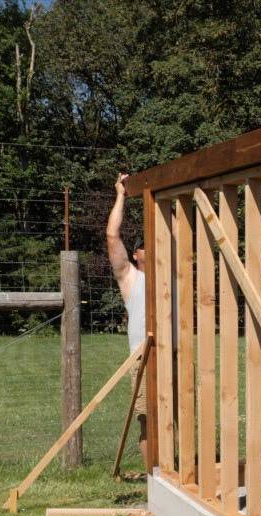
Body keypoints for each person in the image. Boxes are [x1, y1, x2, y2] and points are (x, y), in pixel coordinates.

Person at [105, 172, 150, 473]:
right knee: (148, 420)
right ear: (135, 254)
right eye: (145, 245)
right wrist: (121, 195)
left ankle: (176, 477)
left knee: (177, 420)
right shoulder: (132, 277)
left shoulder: (172, 275)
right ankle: (154, 481)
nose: (153, 248)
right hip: (143, 357)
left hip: (173, 354)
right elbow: (112, 237)